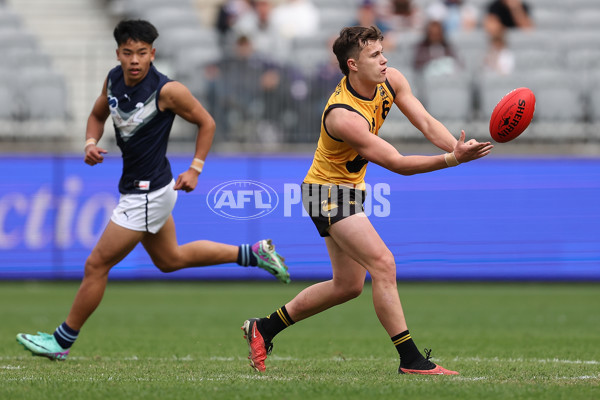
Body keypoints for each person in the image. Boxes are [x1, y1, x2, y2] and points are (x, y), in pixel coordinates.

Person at [16, 19, 290, 361]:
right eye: (128, 52)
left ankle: (62, 340)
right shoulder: (113, 79)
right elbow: (97, 114)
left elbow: (207, 122)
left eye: (141, 53)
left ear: (152, 54)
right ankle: (253, 253)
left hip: (148, 194)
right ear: (118, 53)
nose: (134, 59)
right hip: (139, 189)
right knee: (169, 259)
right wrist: (90, 141)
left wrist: (195, 169)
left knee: (96, 264)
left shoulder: (167, 90)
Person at [242, 25, 493, 375]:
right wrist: (452, 160)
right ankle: (411, 361)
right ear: (352, 65)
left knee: (347, 286)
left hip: (347, 191)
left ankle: (264, 328)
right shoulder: (343, 115)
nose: (384, 59)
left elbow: (424, 121)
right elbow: (398, 164)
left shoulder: (390, 80)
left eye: (382, 51)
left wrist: (455, 145)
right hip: (325, 193)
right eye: (374, 55)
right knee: (383, 263)